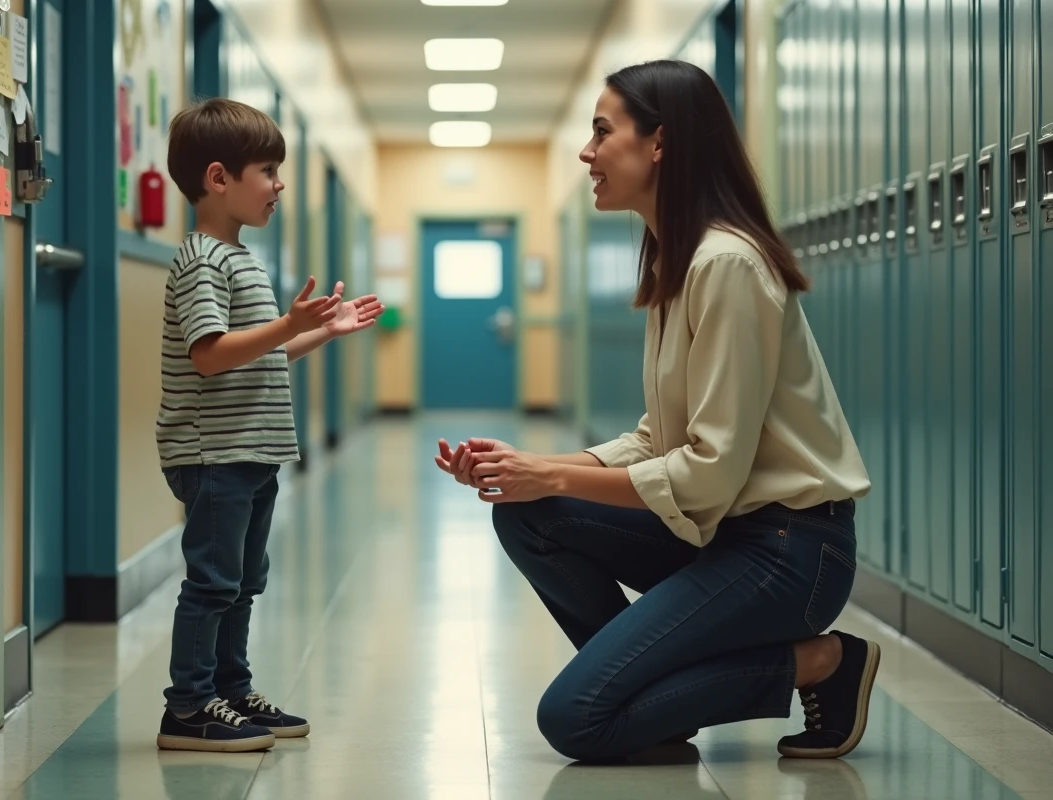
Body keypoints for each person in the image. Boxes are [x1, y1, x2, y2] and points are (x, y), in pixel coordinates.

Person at [435, 60, 876, 763]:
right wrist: (530, 470)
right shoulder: (679, 259)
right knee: (524, 513)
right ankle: (644, 692)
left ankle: (822, 661)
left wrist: (554, 476)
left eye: (602, 132)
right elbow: (655, 437)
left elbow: (708, 470)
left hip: (788, 552)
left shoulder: (726, 265)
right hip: (723, 535)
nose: (587, 152)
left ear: (660, 143)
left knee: (574, 721)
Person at [156, 97, 383, 752]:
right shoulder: (203, 259)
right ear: (219, 178)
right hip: (214, 454)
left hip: (250, 454)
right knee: (213, 582)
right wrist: (289, 322)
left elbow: (260, 351)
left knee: (244, 581)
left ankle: (230, 688)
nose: (280, 183)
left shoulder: (242, 258)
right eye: (268, 170)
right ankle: (189, 706)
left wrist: (319, 333)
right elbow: (208, 357)